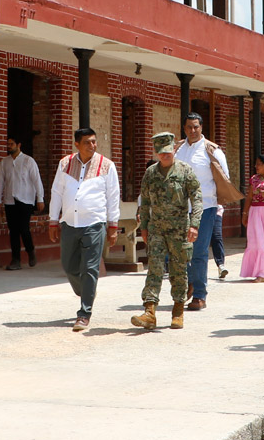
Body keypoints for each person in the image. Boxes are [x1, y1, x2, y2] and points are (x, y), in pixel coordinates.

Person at [48, 127, 120, 331]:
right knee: (69, 266)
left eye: (94, 141)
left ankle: (84, 313)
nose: (92, 145)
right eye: (87, 142)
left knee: (90, 268)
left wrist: (113, 225)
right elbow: (57, 192)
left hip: (94, 224)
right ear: (77, 145)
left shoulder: (106, 165)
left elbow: (113, 196)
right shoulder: (65, 163)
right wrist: (53, 220)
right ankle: (87, 291)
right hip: (69, 222)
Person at [133, 132, 202, 330]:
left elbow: (196, 198)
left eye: (169, 152)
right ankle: (150, 311)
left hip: (180, 229)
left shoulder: (185, 171)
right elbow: (144, 202)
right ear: (156, 153)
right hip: (156, 229)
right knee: (154, 268)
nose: (166, 156)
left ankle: (178, 309)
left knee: (178, 269)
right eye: (161, 153)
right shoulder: (151, 174)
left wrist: (194, 224)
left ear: (174, 150)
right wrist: (144, 227)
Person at [176, 112, 233, 310]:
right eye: (189, 127)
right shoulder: (178, 150)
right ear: (184, 129)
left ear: (201, 128)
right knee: (182, 252)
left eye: (196, 127)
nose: (192, 131)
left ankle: (199, 295)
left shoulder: (212, 151)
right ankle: (191, 282)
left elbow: (224, 178)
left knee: (199, 251)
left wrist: (219, 206)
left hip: (206, 208)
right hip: (181, 209)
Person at [0, 137, 44, 270]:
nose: (9, 146)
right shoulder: (4, 162)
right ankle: (15, 260)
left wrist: (40, 198)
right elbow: (0, 181)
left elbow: (36, 180)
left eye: (11, 144)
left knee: (23, 228)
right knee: (13, 231)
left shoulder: (28, 161)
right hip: (9, 201)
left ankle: (30, 251)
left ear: (19, 145)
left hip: (26, 200)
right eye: (8, 144)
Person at [240, 153, 264, 281]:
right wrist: (245, 213)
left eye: (258, 164)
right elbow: (250, 197)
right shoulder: (254, 179)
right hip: (255, 212)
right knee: (258, 242)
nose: (255, 166)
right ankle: (262, 273)